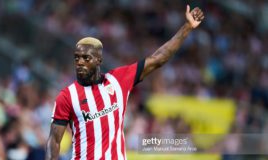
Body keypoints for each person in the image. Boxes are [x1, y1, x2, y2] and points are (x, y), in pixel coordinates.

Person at [46, 5, 204, 160]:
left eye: (86, 58)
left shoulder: (118, 80)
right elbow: (54, 140)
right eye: (77, 58)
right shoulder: (67, 96)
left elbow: (158, 58)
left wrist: (187, 27)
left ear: (99, 60)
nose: (80, 62)